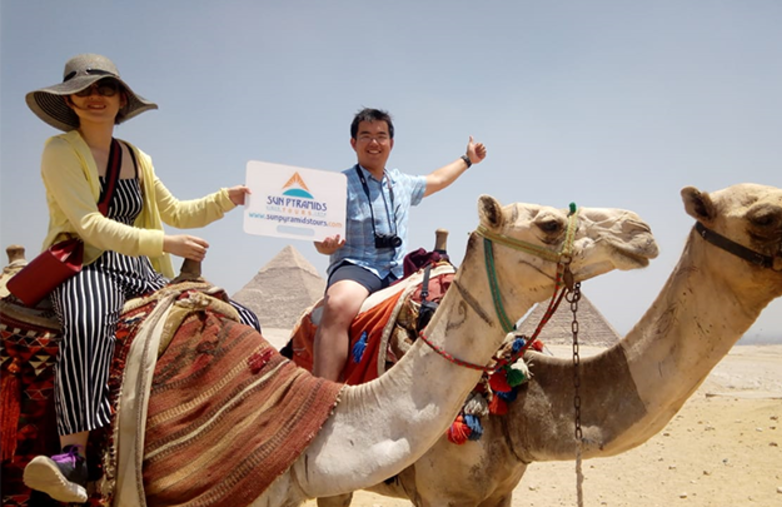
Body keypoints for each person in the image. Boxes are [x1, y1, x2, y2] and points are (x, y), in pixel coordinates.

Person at [21, 54, 260, 503]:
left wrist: (228, 198)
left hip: (142, 271)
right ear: (69, 101)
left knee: (237, 317)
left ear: (121, 99)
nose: (95, 97)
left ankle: (226, 431)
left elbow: (177, 212)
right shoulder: (59, 151)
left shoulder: (135, 157)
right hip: (87, 266)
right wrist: (165, 244)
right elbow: (90, 225)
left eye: (105, 89)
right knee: (90, 320)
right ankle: (73, 454)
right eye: (84, 90)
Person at [312, 108, 487, 381]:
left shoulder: (401, 183)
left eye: (381, 136)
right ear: (353, 143)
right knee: (337, 306)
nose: (374, 143)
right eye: (366, 136)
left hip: (399, 271)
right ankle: (322, 394)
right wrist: (326, 245)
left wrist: (468, 159)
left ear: (391, 143)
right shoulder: (338, 185)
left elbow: (438, 179)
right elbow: (321, 242)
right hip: (358, 267)